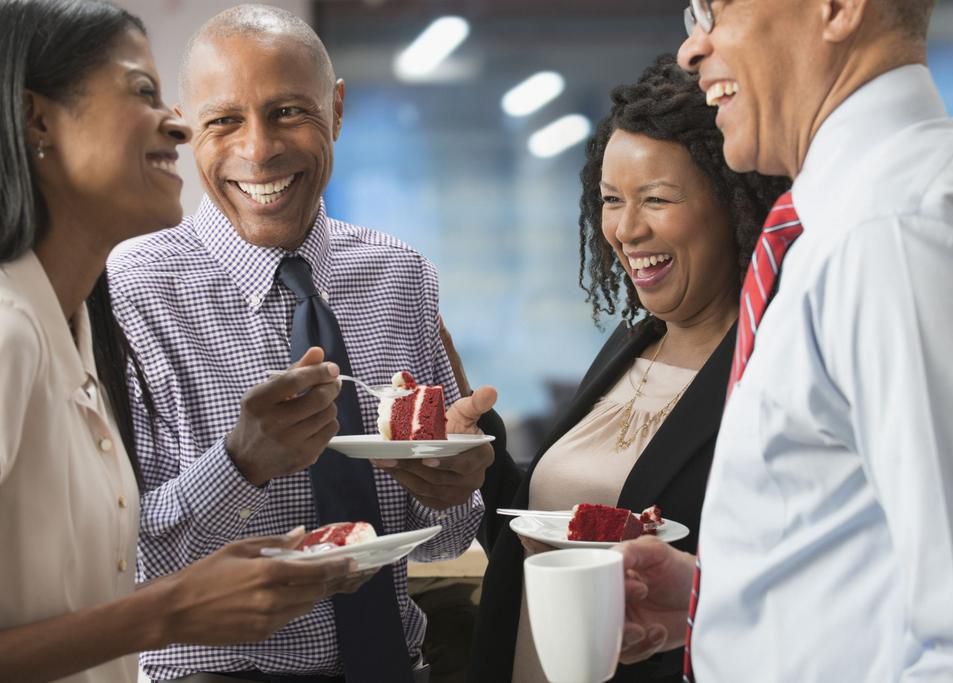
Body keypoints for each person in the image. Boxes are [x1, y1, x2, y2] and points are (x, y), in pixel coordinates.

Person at [617, 0, 953, 680]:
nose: (692, 49)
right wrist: (721, 594)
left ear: (837, 8)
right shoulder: (871, 208)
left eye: (717, 9)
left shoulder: (891, 233)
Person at [105, 5, 499, 682]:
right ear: (185, 126)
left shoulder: (401, 276)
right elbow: (122, 561)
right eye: (224, 120)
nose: (258, 149)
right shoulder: (129, 290)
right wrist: (240, 464)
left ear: (336, 110)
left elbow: (446, 538)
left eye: (288, 111)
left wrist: (453, 487)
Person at [0, 2, 375, 682]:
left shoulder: (75, 329)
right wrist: (168, 610)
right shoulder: (10, 334)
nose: (179, 124)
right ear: (38, 121)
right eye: (142, 92)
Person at [467, 56, 788, 683]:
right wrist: (478, 463)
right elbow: (548, 525)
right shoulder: (634, 342)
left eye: (656, 199)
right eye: (611, 200)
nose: (625, 229)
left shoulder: (770, 366)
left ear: (734, 206)